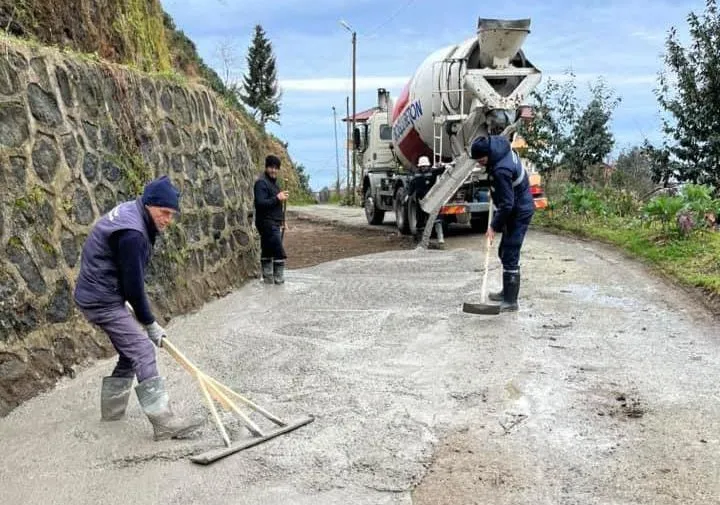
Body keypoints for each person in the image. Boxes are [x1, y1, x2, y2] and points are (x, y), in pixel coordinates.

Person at [74, 175, 203, 440]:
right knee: (143, 349)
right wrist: (150, 324)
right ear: (149, 204)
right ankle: (164, 422)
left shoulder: (133, 213)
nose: (168, 220)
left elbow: (130, 281)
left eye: (172, 214)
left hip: (99, 290)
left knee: (130, 351)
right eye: (164, 212)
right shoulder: (133, 233)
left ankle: (111, 412)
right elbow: (134, 287)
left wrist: (145, 320)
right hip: (102, 299)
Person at [470, 135, 535, 312]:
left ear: (486, 156)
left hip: (519, 211)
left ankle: (511, 301)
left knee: (510, 253)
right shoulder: (499, 147)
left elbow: (507, 204)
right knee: (503, 251)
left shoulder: (501, 169)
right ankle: (506, 291)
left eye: (480, 160)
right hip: (514, 207)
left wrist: (493, 226)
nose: (479, 163)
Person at [253, 154, 289, 284]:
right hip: (265, 222)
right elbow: (260, 203)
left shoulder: (275, 184)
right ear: (266, 167)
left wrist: (282, 221)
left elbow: (277, 207)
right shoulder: (261, 183)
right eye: (271, 167)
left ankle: (268, 280)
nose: (273, 170)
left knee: (267, 249)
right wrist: (277, 198)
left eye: (275, 168)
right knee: (278, 249)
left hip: (273, 221)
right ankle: (279, 281)